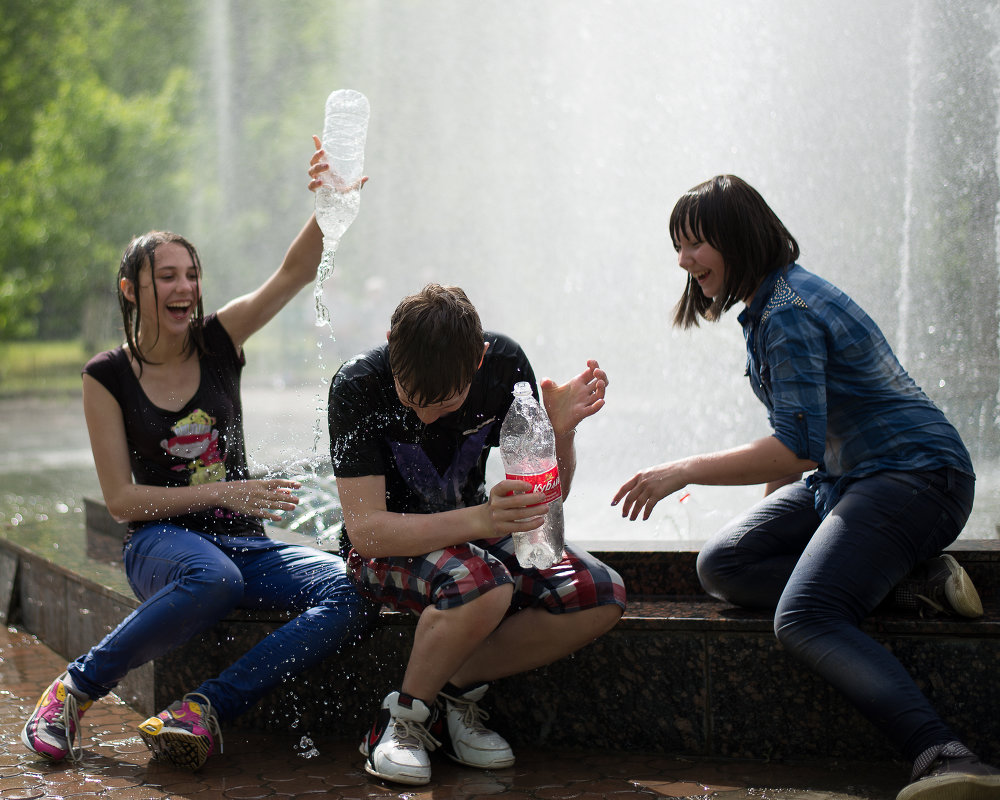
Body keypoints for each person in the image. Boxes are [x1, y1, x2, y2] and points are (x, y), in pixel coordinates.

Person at [613, 174, 999, 800]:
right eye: (677, 247)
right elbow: (798, 438)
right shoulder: (770, 304)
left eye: (693, 244)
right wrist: (775, 526)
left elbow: (794, 447)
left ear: (734, 238)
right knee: (725, 562)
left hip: (917, 477)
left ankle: (946, 754)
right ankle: (916, 586)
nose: (682, 261)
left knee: (806, 615)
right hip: (851, 480)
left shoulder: (788, 312)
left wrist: (680, 471)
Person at [21, 136, 374, 771]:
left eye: (192, 274)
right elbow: (121, 500)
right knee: (214, 578)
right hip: (161, 545)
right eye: (167, 276)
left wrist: (331, 201)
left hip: (246, 545)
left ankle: (204, 709)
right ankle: (72, 693)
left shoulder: (218, 342)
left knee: (354, 588)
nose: (185, 287)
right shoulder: (106, 376)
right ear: (132, 289)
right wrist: (224, 491)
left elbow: (292, 275)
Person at [328, 283, 626, 786]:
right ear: (389, 344)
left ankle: (450, 693)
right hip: (388, 549)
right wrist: (483, 521)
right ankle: (400, 719)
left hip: (472, 540)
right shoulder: (357, 385)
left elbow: (545, 508)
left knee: (599, 592)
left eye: (445, 403)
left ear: (479, 360)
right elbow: (367, 534)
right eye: (410, 397)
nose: (425, 416)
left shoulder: (506, 366)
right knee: (484, 581)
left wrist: (560, 434)